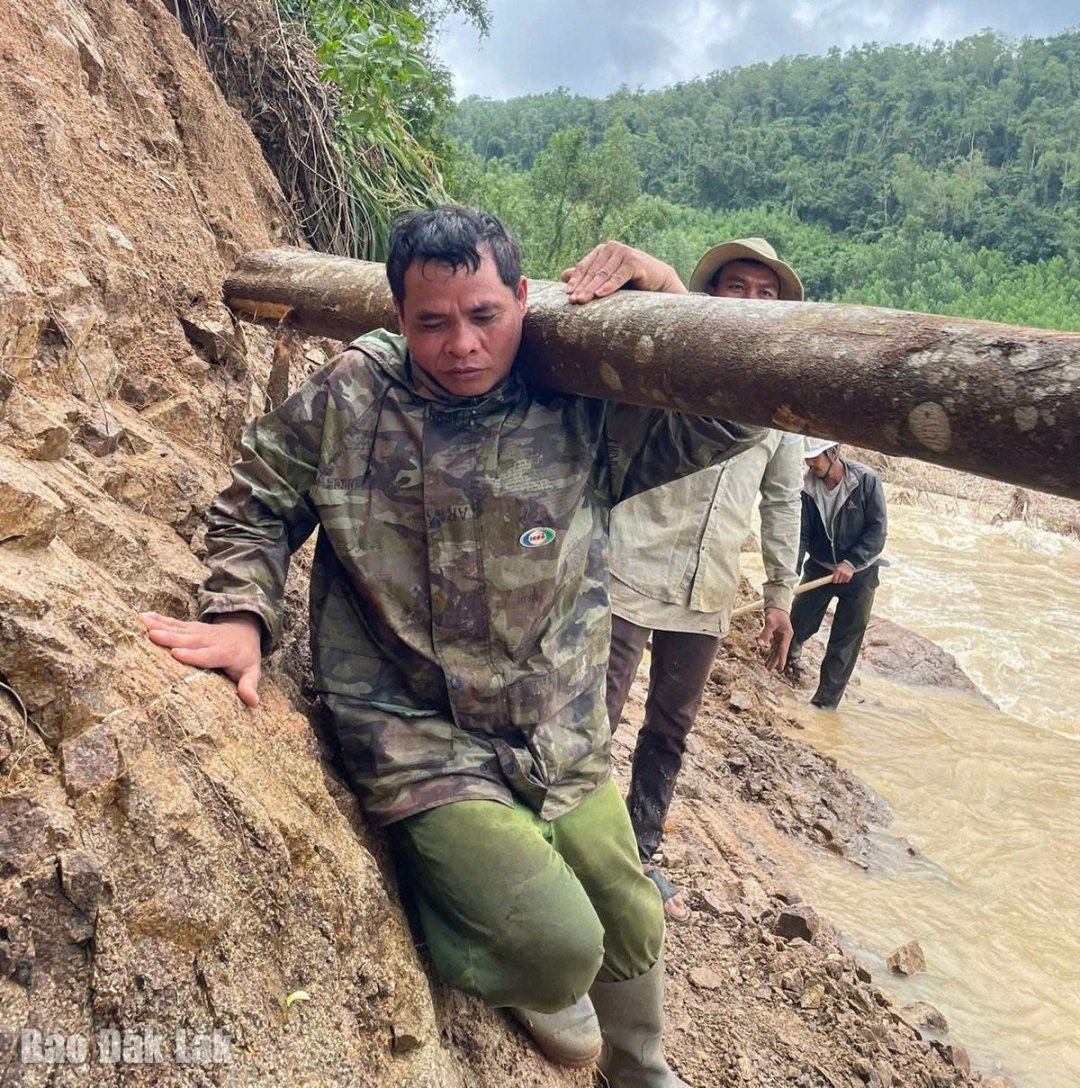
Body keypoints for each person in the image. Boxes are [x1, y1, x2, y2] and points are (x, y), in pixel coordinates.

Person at [139, 206, 763, 1086]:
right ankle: (490, 940)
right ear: (399, 315)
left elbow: (732, 417)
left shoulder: (575, 399)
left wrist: (669, 294)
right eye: (432, 322)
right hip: (414, 729)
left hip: (555, 725)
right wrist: (241, 614)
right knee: (557, 951)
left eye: (485, 315)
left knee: (630, 916)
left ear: (522, 297)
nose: (463, 344)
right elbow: (257, 499)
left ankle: (642, 1070)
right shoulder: (354, 396)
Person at [564, 238, 803, 923]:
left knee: (671, 727)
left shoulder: (782, 404)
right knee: (596, 713)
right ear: (708, 296)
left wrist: (780, 595)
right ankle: (575, 847)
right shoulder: (672, 366)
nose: (751, 302)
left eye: (766, 294)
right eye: (737, 288)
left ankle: (639, 853)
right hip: (631, 565)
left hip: (709, 587)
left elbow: (782, 500)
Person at [785, 437, 888, 709]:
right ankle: (789, 660)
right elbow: (800, 536)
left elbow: (878, 531)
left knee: (844, 642)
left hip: (861, 574)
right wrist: (788, 576)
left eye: (814, 457)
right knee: (798, 621)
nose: (810, 463)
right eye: (807, 458)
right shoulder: (806, 488)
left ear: (832, 453)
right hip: (820, 566)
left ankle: (824, 704)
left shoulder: (866, 481)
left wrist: (852, 562)